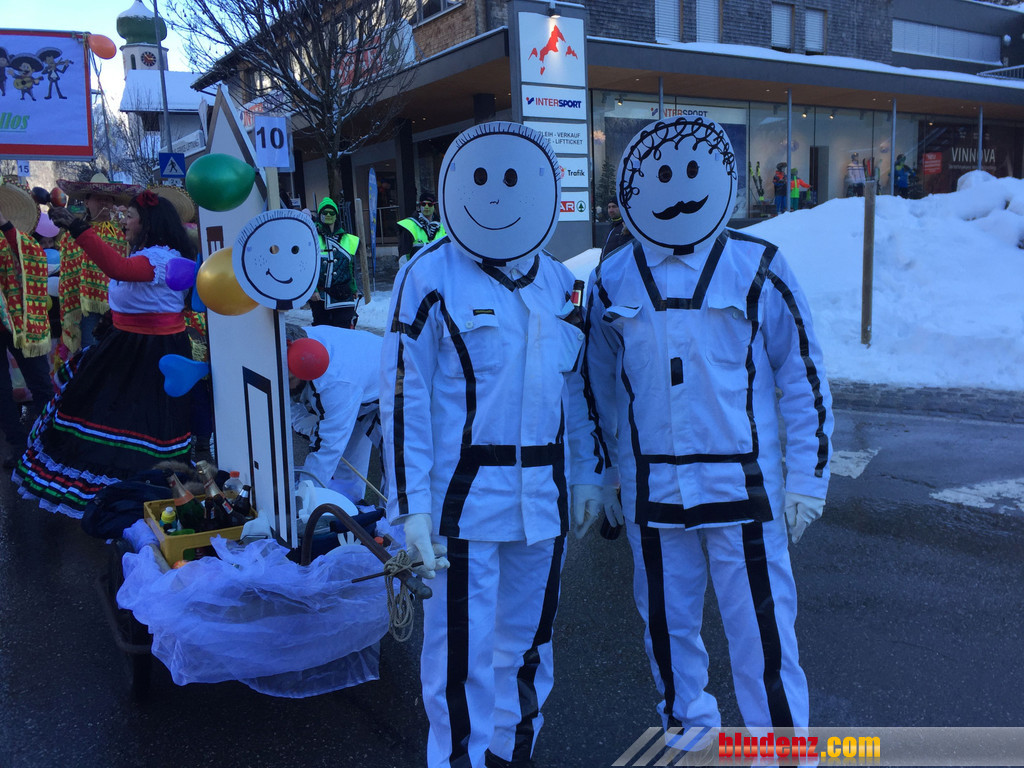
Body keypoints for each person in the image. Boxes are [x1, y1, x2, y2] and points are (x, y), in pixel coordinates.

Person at [585, 116, 833, 741]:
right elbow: (596, 388)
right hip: (653, 495)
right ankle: (689, 739)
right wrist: (602, 476)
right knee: (668, 634)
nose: (677, 189)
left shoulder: (758, 267)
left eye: (692, 172)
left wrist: (808, 478)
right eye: (661, 176)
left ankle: (781, 749)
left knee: (763, 638)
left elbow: (803, 375)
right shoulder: (611, 278)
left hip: (743, 491)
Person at [380, 121, 609, 768]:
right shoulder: (429, 278)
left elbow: (577, 389)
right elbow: (404, 398)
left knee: (528, 647)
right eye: (482, 177)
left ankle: (513, 754)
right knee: (460, 657)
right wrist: (411, 511)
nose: (499, 193)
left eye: (515, 178)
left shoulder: (560, 284)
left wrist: (587, 475)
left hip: (542, 503)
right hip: (462, 508)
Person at [12, 190, 195, 518]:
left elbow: (117, 268)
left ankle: (141, 490)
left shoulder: (160, 258)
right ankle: (119, 489)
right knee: (109, 413)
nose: (124, 222)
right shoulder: (148, 254)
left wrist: (77, 228)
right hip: (128, 346)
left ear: (148, 222)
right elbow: (136, 294)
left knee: (137, 420)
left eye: (130, 217)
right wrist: (113, 318)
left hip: (150, 352)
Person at [288, 323, 383, 503]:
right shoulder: (292, 345)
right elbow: (286, 393)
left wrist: (302, 498)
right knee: (345, 470)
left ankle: (393, 520)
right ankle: (348, 507)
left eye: (291, 379)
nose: (287, 384)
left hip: (397, 384)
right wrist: (303, 422)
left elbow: (327, 449)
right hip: (359, 378)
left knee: (399, 469)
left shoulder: (335, 385)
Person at [0, 183, 58, 469]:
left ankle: (49, 442)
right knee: (1, 390)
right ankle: (17, 443)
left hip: (22, 325)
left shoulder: (20, 238)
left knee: (41, 383)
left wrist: (4, 224)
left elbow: (32, 260)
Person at [55, 173, 143, 357]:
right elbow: (68, 276)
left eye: (108, 199)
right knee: (92, 354)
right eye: (98, 198)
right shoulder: (71, 236)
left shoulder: (124, 233)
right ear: (87, 202)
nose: (104, 202)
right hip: (87, 309)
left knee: (120, 354)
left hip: (120, 305)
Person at [309, 197, 361, 329]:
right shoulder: (311, 237)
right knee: (323, 332)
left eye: (331, 212)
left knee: (343, 332)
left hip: (343, 296)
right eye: (325, 212)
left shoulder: (348, 239)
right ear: (320, 215)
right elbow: (308, 267)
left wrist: (353, 288)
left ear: (336, 215)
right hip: (321, 297)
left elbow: (350, 267)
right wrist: (312, 290)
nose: (328, 215)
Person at [396, 191, 445, 265]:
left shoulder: (442, 227)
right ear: (419, 206)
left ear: (434, 206)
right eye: (423, 204)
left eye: (430, 204)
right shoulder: (410, 226)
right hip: (417, 270)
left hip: (437, 269)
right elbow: (403, 256)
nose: (426, 207)